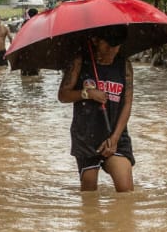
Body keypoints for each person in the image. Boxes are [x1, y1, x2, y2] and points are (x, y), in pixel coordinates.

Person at [56, 28, 135, 193]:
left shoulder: (124, 64)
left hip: (115, 134)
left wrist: (114, 138)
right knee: (89, 193)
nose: (112, 52)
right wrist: (87, 94)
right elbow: (63, 95)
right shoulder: (80, 61)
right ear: (95, 41)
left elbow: (127, 104)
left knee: (125, 190)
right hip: (86, 135)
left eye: (116, 47)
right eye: (107, 47)